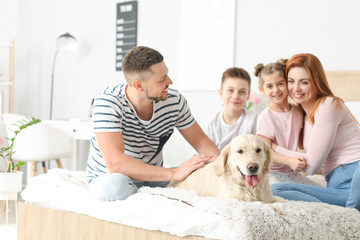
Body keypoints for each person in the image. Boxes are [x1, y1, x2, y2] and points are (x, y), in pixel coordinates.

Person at [86, 46, 220, 201]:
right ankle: (143, 196)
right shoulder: (108, 102)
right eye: (162, 79)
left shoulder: (174, 101)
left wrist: (223, 168)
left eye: (167, 75)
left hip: (152, 178)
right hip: (109, 178)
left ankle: (146, 194)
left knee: (197, 176)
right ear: (139, 86)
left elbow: (201, 142)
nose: (170, 82)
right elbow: (115, 164)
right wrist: (174, 173)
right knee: (117, 185)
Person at [271, 53, 360, 210]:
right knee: (276, 189)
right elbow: (309, 163)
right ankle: (350, 207)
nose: (296, 88)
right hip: (337, 185)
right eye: (291, 81)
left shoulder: (328, 105)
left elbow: (312, 166)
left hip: (354, 173)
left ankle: (352, 209)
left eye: (304, 82)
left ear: (316, 83)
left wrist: (274, 148)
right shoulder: (304, 117)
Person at [255, 60, 317, 185]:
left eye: (280, 84)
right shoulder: (266, 117)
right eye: (269, 86)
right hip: (271, 172)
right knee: (279, 190)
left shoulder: (297, 110)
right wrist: (289, 161)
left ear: (288, 84)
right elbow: (265, 152)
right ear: (262, 90)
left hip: (292, 172)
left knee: (318, 190)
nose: (276, 90)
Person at [204, 67, 257, 151]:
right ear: (221, 93)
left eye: (242, 92)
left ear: (248, 97)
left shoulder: (253, 120)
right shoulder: (211, 124)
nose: (235, 96)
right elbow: (207, 156)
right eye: (230, 90)